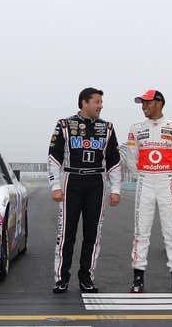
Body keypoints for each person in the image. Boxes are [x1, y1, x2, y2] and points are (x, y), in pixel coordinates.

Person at [48, 87, 121, 294]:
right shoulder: (64, 124)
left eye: (101, 102)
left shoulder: (107, 127)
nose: (100, 106)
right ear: (84, 102)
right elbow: (54, 157)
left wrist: (115, 189)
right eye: (97, 102)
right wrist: (55, 186)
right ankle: (61, 278)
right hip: (71, 180)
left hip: (97, 182)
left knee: (92, 234)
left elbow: (114, 161)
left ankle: (86, 278)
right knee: (66, 234)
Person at [126, 89, 172, 294]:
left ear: (159, 103)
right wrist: (144, 175)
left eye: (147, 102)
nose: (143, 106)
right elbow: (131, 158)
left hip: (167, 181)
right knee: (141, 231)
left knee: (171, 230)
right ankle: (138, 277)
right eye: (142, 103)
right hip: (145, 180)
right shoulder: (135, 129)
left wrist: (170, 177)